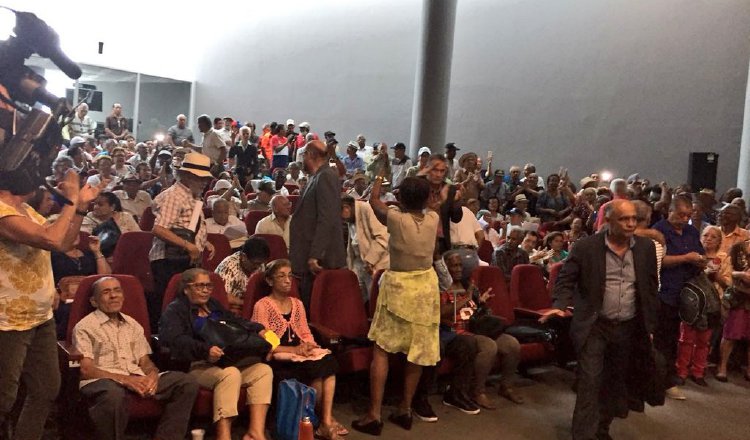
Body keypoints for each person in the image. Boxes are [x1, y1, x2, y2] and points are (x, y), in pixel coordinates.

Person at [540, 200, 661, 440]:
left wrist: (649, 326)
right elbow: (566, 280)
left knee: (614, 382)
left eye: (633, 219)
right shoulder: (586, 247)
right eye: (624, 219)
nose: (630, 224)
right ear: (608, 221)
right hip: (595, 325)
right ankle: (582, 435)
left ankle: (602, 429)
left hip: (627, 326)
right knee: (590, 381)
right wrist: (559, 306)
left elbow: (649, 289)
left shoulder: (645, 247)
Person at [0, 168, 100, 440]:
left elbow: (63, 243)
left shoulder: (23, 209)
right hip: (7, 318)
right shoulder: (2, 211)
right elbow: (51, 238)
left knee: (45, 388)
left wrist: (79, 208)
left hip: (39, 315)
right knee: (3, 399)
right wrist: (69, 200)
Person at [352, 176, 440, 435]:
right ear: (426, 198)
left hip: (399, 288)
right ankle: (405, 409)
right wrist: (430, 197)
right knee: (417, 352)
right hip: (425, 289)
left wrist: (379, 179)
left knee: (382, 351)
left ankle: (374, 414)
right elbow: (434, 205)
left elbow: (373, 200)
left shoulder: (396, 219)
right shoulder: (433, 219)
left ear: (400, 197)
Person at [73, 277, 199, 440]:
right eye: (106, 292)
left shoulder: (132, 324)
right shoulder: (85, 327)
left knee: (186, 382)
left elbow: (145, 362)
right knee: (113, 396)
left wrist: (152, 375)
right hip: (103, 381)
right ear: (94, 301)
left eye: (117, 290)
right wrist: (126, 380)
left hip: (136, 376)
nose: (114, 296)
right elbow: (86, 370)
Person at [159, 269, 272, 440]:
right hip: (196, 366)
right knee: (231, 374)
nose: (205, 290)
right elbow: (175, 341)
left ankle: (255, 432)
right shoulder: (175, 310)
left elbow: (235, 321)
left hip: (225, 361)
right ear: (186, 288)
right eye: (200, 286)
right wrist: (205, 350)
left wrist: (258, 329)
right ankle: (223, 435)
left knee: (262, 371)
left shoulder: (213, 305)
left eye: (208, 286)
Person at [252, 260, 347, 439]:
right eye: (281, 276)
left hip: (299, 353)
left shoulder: (297, 303)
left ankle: (325, 421)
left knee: (328, 364)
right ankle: (321, 422)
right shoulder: (263, 306)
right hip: (279, 355)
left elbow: (304, 331)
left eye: (290, 275)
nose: (288, 280)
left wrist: (309, 346)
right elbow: (266, 342)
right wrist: (294, 350)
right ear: (270, 281)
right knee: (316, 373)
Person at [441, 251, 523, 410]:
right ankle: (477, 391)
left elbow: (475, 309)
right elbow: (441, 314)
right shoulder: (442, 287)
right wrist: (468, 299)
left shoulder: (468, 285)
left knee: (512, 344)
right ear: (445, 268)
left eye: (460, 265)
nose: (458, 269)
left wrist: (480, 302)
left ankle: (506, 386)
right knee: (489, 346)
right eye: (453, 266)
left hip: (477, 326)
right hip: (457, 332)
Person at [149, 153, 216, 329]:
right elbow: (158, 229)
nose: (204, 183)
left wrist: (203, 242)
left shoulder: (191, 196)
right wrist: (188, 245)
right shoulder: (175, 195)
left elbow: (186, 227)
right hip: (169, 262)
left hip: (183, 259)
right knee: (171, 308)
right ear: (187, 176)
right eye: (199, 179)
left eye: (205, 179)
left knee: (183, 309)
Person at [652, 195, 705, 400]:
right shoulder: (659, 230)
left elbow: (699, 253)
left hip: (686, 291)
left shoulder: (691, 231)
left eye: (688, 215)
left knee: (675, 337)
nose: (684, 219)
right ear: (669, 211)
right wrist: (685, 258)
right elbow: (658, 261)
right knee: (662, 339)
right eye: (681, 214)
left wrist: (700, 260)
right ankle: (660, 381)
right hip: (664, 291)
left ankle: (668, 378)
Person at [289, 140, 346, 309]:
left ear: (311, 155)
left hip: (320, 260)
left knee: (316, 307)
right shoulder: (316, 177)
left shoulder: (326, 176)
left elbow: (327, 217)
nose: (302, 159)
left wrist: (316, 254)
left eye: (304, 155)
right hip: (309, 256)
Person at [675, 226, 730, 386]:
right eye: (706, 235)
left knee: (704, 341)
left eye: (713, 237)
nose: (709, 239)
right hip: (693, 304)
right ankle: (681, 370)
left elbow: (728, 284)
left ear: (719, 241)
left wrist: (716, 275)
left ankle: (698, 371)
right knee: (686, 339)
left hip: (713, 305)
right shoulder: (694, 255)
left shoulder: (724, 258)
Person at [341, 195, 390, 303]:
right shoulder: (352, 217)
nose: (341, 219)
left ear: (346, 208)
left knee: (375, 301)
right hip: (360, 263)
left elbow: (382, 238)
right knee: (357, 300)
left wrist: (370, 260)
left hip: (376, 262)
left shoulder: (366, 208)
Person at [716, 240, 750, 382]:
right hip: (739, 298)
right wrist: (741, 275)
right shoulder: (739, 247)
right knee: (730, 333)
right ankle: (722, 367)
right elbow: (728, 271)